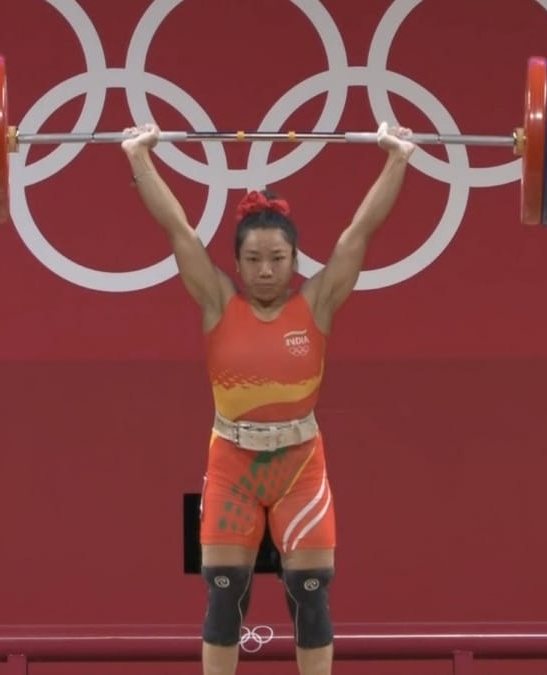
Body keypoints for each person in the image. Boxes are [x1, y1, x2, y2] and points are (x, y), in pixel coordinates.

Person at [121, 121, 416, 675]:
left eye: (277, 258)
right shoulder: (217, 302)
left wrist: (397, 158)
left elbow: (360, 231)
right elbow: (178, 229)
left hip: (299, 467)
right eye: (254, 259)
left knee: (311, 598)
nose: (265, 270)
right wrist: (139, 157)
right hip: (231, 466)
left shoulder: (317, 304)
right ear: (236, 264)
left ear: (295, 260)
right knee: (224, 599)